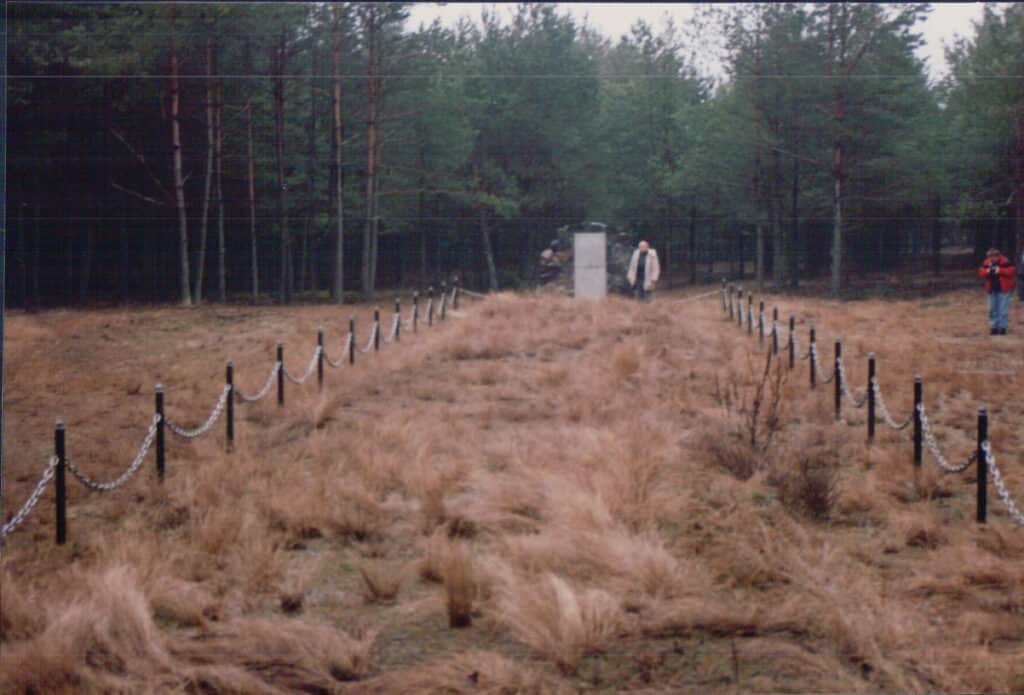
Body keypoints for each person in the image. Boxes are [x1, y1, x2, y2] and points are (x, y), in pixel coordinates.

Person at [978, 247, 1015, 335]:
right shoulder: (987, 262)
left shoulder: (1005, 261)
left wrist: (1000, 270)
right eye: (990, 257)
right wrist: (987, 271)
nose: (991, 259)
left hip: (1004, 289)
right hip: (991, 289)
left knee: (1003, 310)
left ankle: (1003, 328)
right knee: (992, 309)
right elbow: (980, 272)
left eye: (993, 257)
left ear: (998, 256)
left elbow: (1012, 271)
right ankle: (994, 327)